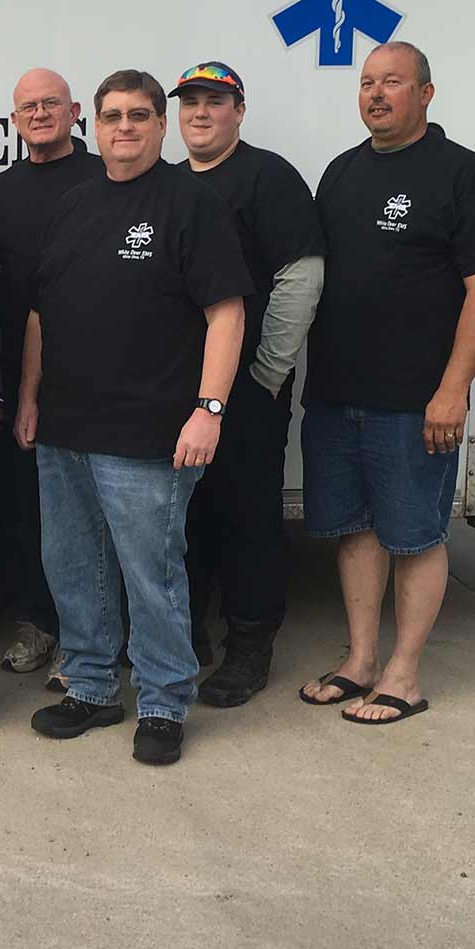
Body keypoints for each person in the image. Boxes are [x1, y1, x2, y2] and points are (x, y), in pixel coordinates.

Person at [20, 70, 250, 766]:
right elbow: (39, 312)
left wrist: (209, 410)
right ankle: (91, 686)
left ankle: (162, 701)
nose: (125, 127)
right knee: (73, 565)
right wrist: (30, 396)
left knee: (152, 574)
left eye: (140, 116)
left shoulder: (192, 203)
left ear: (159, 126)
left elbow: (227, 312)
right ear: (93, 124)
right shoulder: (74, 204)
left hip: (149, 431)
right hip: (64, 426)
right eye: (113, 115)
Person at [298, 42, 475, 725]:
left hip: (416, 402)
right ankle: (361, 660)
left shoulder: (464, 176)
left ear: (425, 92)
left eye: (392, 82)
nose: (376, 94)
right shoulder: (340, 173)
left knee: (414, 536)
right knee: (356, 532)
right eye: (368, 83)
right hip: (337, 393)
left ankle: (404, 674)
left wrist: (453, 391)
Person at [170, 60, 326, 709]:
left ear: (238, 109)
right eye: (190, 103)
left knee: (248, 519)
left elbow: (302, 274)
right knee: (186, 519)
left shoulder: (267, 177)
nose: (200, 112)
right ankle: (190, 640)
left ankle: (250, 646)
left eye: (215, 101)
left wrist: (265, 373)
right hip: (176, 392)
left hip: (246, 392)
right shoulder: (169, 183)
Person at [0, 68, 103, 684]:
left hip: (96, 380)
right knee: (29, 514)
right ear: (14, 119)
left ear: (76, 111)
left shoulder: (107, 177)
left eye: (51, 103)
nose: (40, 113)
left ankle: (89, 643)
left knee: (95, 518)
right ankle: (39, 625)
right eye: (28, 106)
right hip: (18, 381)